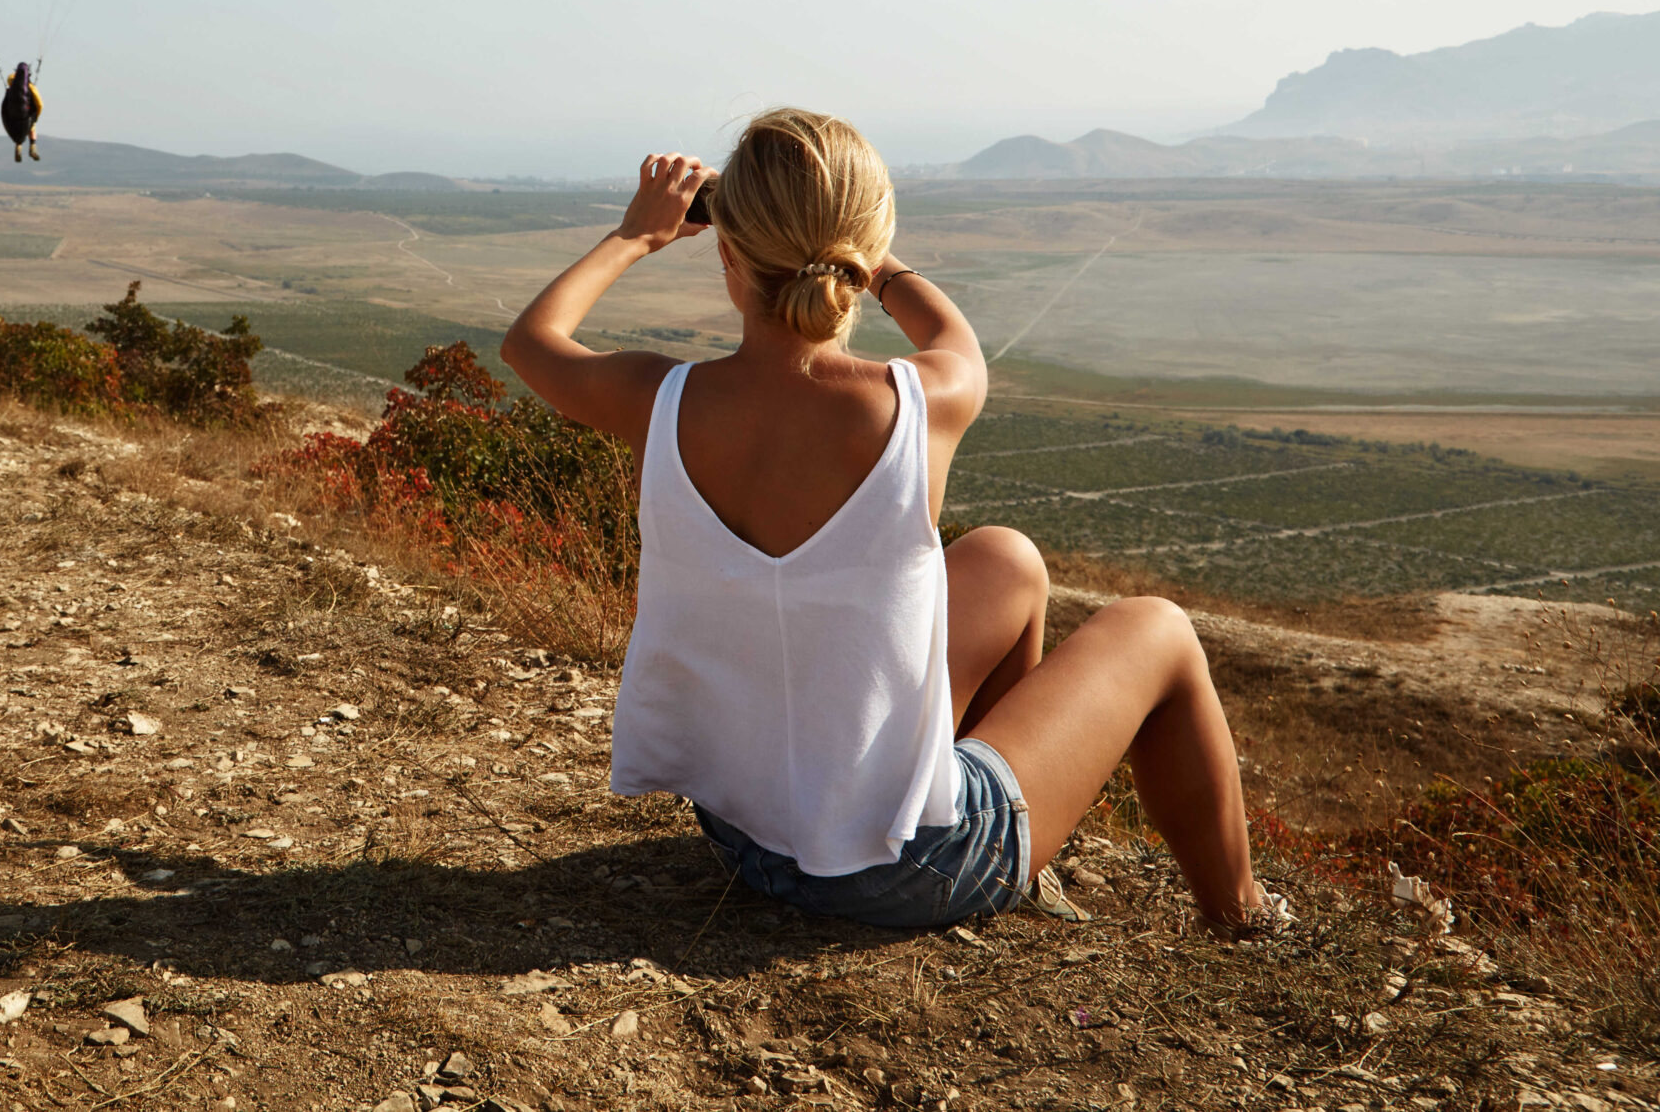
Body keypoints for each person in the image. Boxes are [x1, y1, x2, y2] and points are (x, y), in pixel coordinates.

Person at [499, 109, 1286, 934]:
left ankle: (950, 787)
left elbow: (531, 340)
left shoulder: (658, 398)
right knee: (1157, 628)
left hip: (747, 839)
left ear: (727, 255)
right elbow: (957, 338)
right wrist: (873, 257)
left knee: (1006, 559)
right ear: (862, 253)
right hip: (908, 873)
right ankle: (1245, 918)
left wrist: (636, 235)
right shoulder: (922, 399)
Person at [0, 61, 43, 163]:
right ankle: (32, 147)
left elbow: (4, 104)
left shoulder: (10, 87)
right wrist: (36, 116)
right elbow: (39, 103)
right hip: (26, 116)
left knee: (17, 130)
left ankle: (18, 146)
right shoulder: (30, 87)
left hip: (11, 117)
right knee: (32, 126)